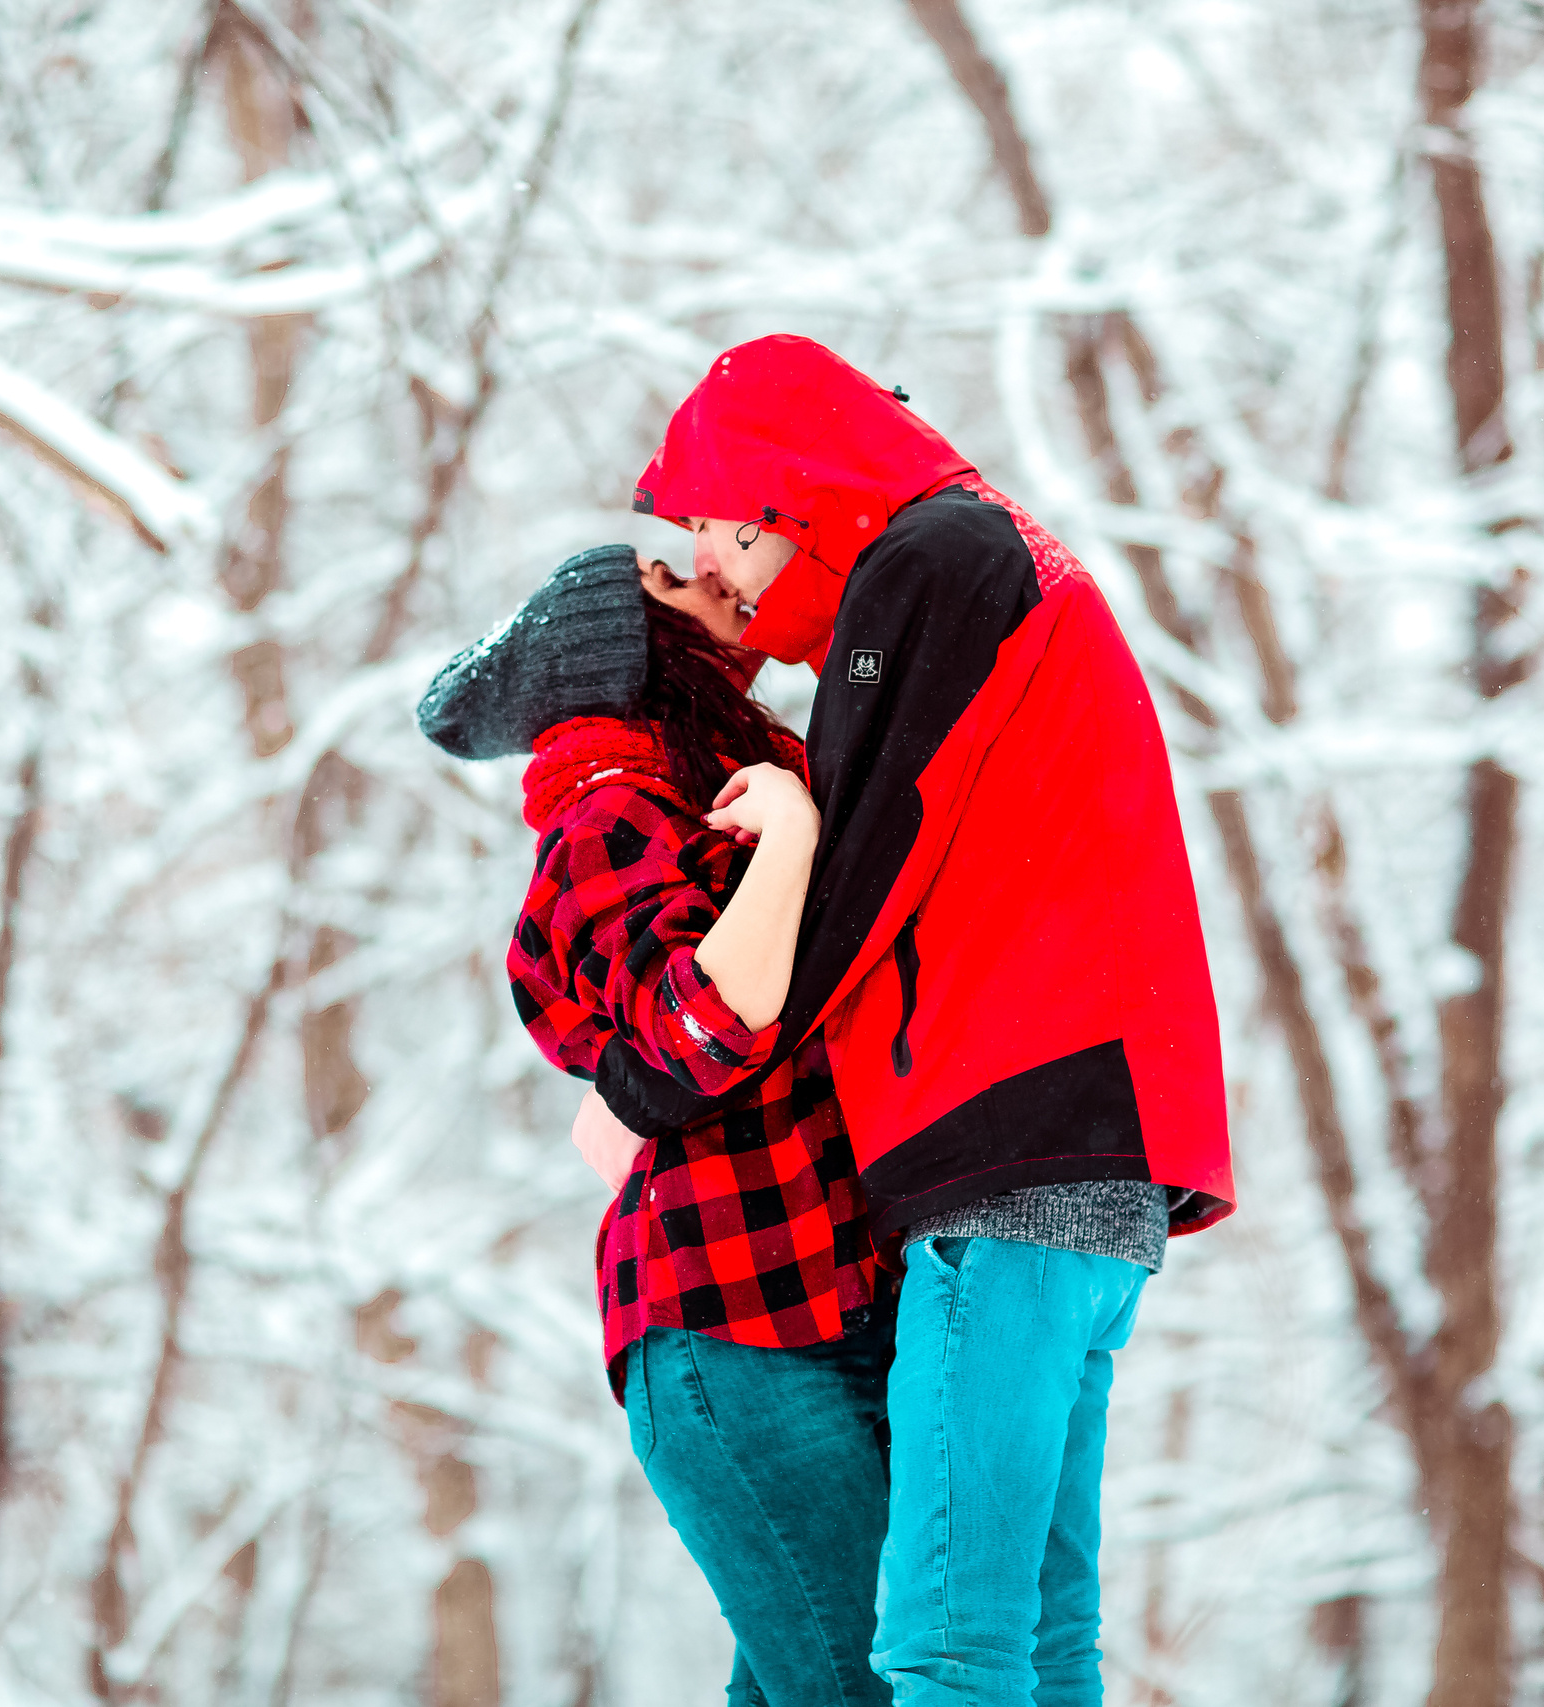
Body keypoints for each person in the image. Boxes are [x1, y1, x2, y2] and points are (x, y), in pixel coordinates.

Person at [591, 335, 1238, 1705]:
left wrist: (657, 1079)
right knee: (1041, 1641)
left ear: (788, 495)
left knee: (944, 1644)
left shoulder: (931, 561)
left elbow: (864, 861)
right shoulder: (998, 564)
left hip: (1007, 1151)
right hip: (1093, 1164)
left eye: (716, 534)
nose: (714, 572)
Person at [416, 543, 893, 1707]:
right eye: (678, 584)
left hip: (815, 1305)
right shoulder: (605, 814)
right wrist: (786, 838)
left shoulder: (704, 784)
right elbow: (699, 1028)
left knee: (817, 1685)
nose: (719, 583)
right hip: (729, 1324)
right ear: (623, 652)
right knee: (867, 1689)